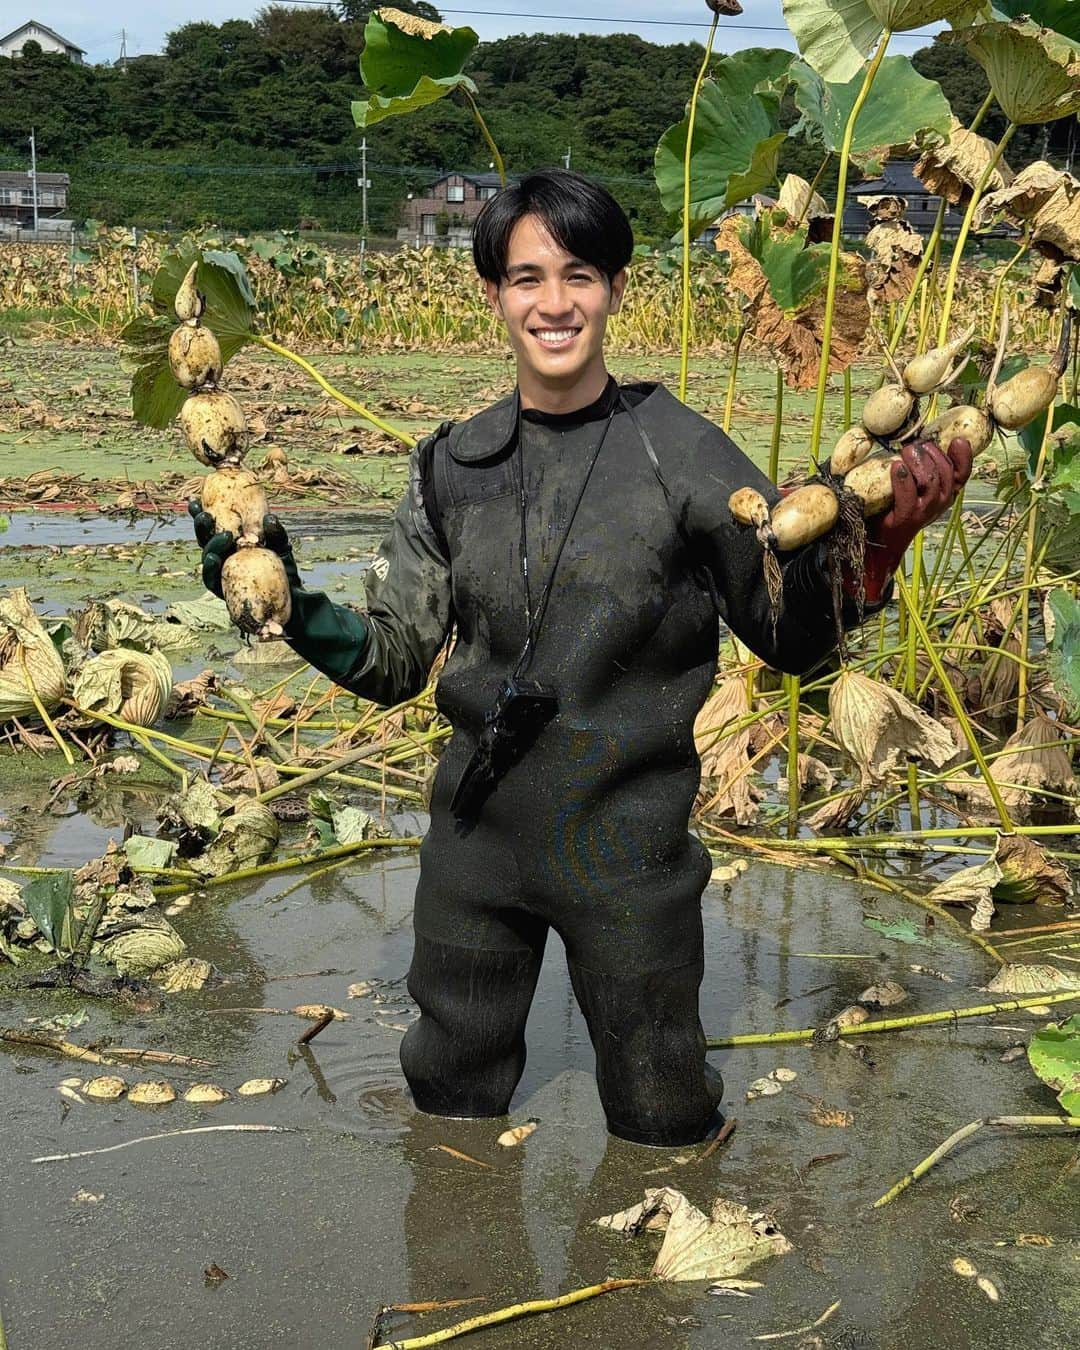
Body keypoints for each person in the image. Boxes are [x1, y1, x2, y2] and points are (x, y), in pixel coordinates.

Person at [193, 170, 971, 1147]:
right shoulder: (450, 465)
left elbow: (789, 640)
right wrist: (287, 601)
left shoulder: (682, 453)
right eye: (526, 278)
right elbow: (394, 659)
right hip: (476, 847)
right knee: (448, 1117)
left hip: (628, 851)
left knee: (666, 1124)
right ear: (493, 296)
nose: (553, 302)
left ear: (613, 288)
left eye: (579, 274)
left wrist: (875, 551)